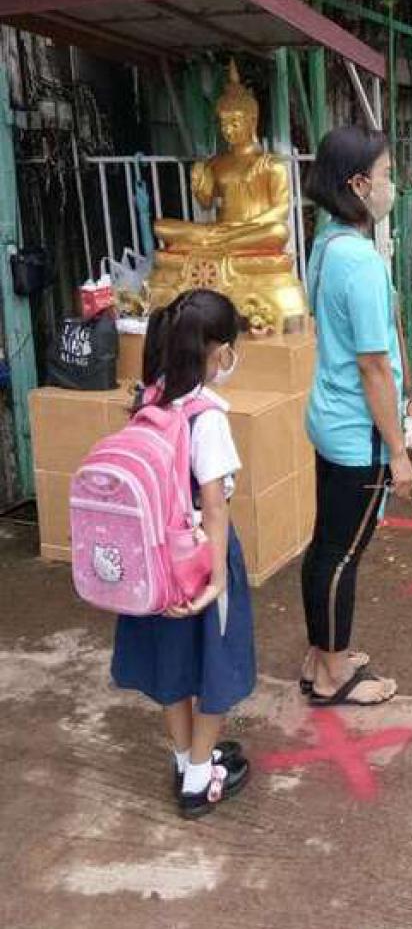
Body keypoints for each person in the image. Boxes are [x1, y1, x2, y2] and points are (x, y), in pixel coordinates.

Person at [112, 289, 255, 818]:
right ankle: (199, 780)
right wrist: (216, 581)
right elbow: (214, 505)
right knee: (218, 662)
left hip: (154, 560)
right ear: (219, 352)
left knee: (172, 662)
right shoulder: (206, 416)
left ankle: (184, 759)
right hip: (198, 558)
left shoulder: (148, 399)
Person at [301, 126, 412, 706]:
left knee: (326, 546)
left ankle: (320, 655)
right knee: (342, 555)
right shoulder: (360, 262)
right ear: (358, 184)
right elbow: (373, 365)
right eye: (386, 174)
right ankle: (332, 674)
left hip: (330, 416)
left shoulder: (327, 243)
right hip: (358, 434)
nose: (392, 185)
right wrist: (397, 452)